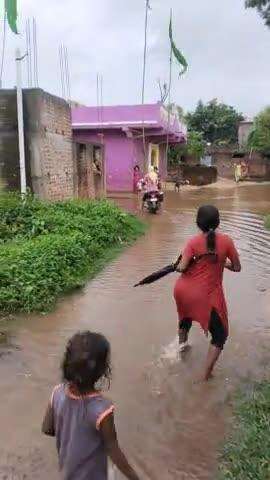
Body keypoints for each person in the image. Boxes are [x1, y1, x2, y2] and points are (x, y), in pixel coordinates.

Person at [42, 331, 140, 480]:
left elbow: (47, 429)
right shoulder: (102, 410)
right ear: (102, 370)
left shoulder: (57, 393)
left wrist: (70, 430)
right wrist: (135, 477)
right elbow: (114, 451)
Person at [174, 205, 241, 382]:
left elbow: (181, 268)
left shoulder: (192, 242)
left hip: (183, 291)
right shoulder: (227, 241)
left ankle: (181, 351)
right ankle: (206, 376)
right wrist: (221, 263)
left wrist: (183, 263)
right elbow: (237, 267)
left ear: (198, 223)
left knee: (185, 319)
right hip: (206, 296)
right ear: (218, 222)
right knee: (220, 336)